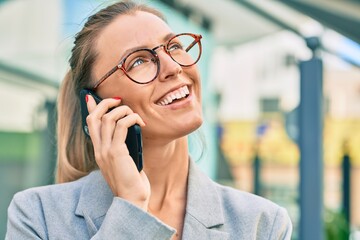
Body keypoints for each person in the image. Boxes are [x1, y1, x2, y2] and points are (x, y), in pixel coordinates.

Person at [6, 1, 292, 239]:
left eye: (174, 47)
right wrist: (131, 205)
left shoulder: (262, 224)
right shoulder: (37, 215)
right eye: (139, 61)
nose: (173, 67)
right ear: (94, 105)